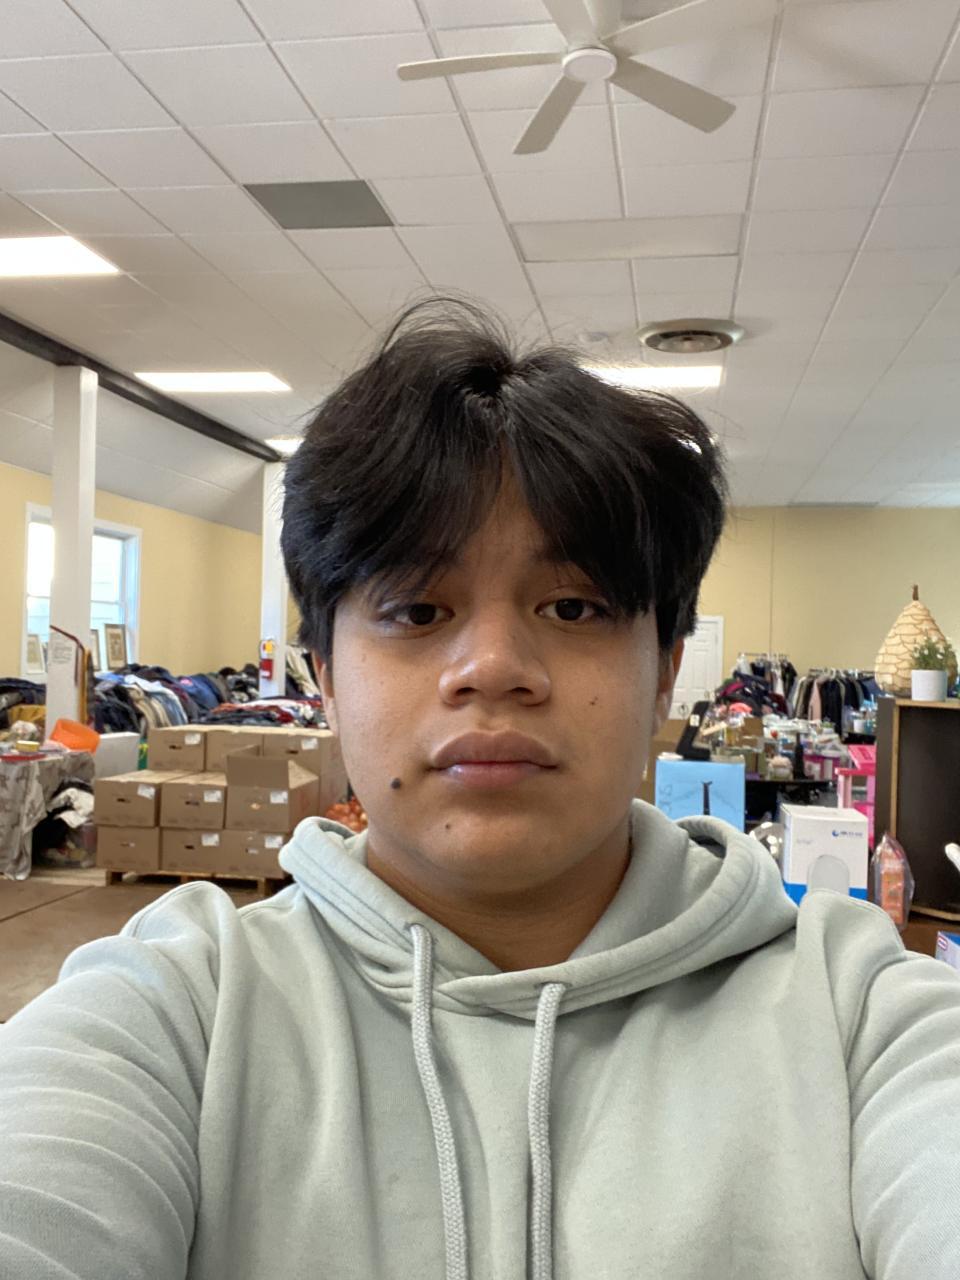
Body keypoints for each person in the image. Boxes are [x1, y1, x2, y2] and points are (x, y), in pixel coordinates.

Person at [1, 301, 958, 1280]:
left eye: (573, 606)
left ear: (666, 671)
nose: (494, 667)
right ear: (324, 673)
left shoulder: (858, 1017)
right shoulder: (182, 1011)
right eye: (418, 608)